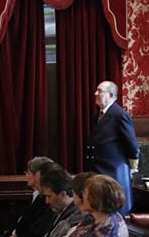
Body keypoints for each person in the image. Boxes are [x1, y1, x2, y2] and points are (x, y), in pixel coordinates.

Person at [85, 80, 139, 216]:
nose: (95, 93)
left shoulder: (119, 115)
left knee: (113, 214)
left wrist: (132, 167)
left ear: (110, 95)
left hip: (112, 173)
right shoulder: (98, 116)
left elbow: (132, 145)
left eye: (99, 91)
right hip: (98, 171)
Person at [0, 156, 56, 237]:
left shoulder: (45, 200)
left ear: (37, 176)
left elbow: (36, 231)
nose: (25, 176)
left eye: (28, 173)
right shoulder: (35, 196)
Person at [38, 166, 84, 237]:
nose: (47, 201)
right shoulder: (59, 210)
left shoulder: (75, 217)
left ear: (63, 194)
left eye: (49, 196)